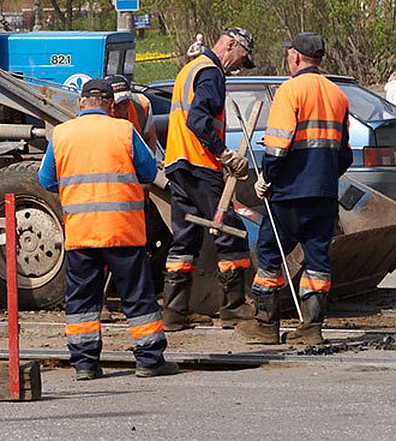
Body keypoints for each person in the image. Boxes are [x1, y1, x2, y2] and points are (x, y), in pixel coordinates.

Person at [39, 78, 178, 379]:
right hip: (123, 231)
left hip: (81, 233)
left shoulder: (62, 134)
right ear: (111, 106)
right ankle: (149, 360)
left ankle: (85, 364)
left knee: (82, 301)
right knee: (137, 296)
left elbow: (47, 180)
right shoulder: (124, 130)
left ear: (80, 102)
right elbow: (149, 171)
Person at [237, 33, 351, 345]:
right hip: (324, 193)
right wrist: (325, 177)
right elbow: (345, 154)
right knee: (317, 259)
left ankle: (265, 324)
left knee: (271, 253)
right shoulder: (338, 95)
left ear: (296, 57)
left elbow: (277, 146)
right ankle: (312, 329)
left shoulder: (289, 91)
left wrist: (267, 179)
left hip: (290, 192)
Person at [161, 27, 256, 331]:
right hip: (199, 163)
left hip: (178, 163)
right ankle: (234, 307)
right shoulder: (211, 72)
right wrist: (224, 154)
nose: (241, 66)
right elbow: (198, 119)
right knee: (230, 228)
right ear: (229, 45)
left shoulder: (190, 68)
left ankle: (175, 311)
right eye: (242, 58)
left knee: (185, 238)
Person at [109, 74, 158, 154]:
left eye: (125, 103)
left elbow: (150, 138)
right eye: (116, 105)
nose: (122, 109)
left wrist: (149, 162)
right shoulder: (99, 114)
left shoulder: (141, 104)